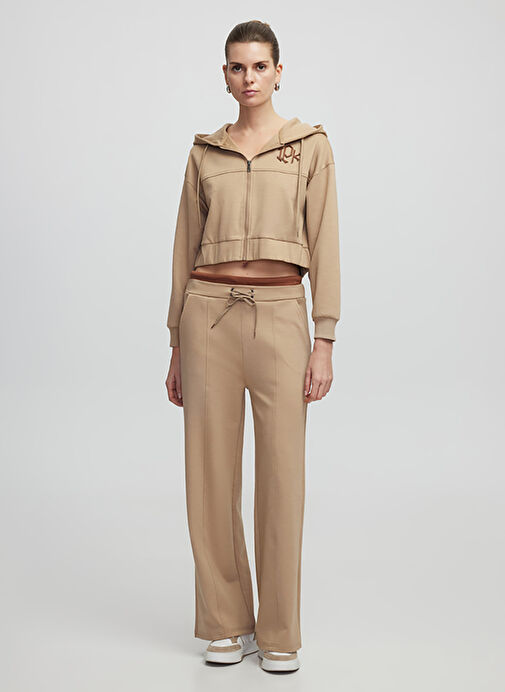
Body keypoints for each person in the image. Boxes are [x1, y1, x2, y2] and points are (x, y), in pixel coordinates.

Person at [165, 19, 341, 673]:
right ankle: (223, 622)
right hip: (206, 317)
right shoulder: (204, 153)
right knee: (209, 477)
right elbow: (183, 247)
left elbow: (325, 242)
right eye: (237, 67)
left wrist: (324, 337)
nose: (249, 78)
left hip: (281, 316)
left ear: (278, 71)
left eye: (259, 66)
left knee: (281, 479)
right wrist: (175, 343)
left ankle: (279, 632)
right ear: (225, 75)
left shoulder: (310, 147)